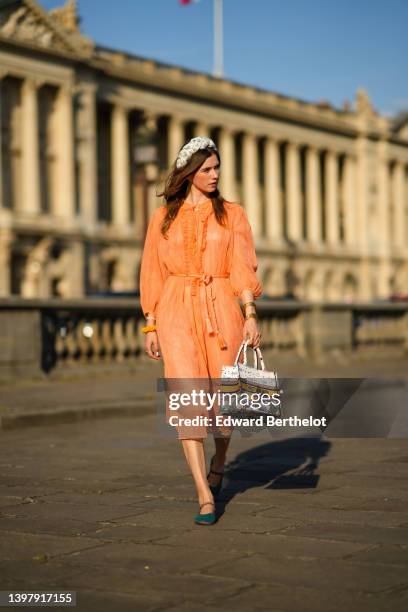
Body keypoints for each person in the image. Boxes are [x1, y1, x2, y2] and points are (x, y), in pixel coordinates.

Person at [139, 136, 263, 525]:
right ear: (189, 173)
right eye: (206, 169)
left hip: (220, 306)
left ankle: (221, 459)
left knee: (227, 402)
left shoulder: (232, 214)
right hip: (175, 310)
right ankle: (204, 494)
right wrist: (151, 323)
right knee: (187, 401)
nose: (214, 175)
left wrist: (250, 312)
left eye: (216, 168)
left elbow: (243, 266)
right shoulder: (163, 218)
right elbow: (152, 271)